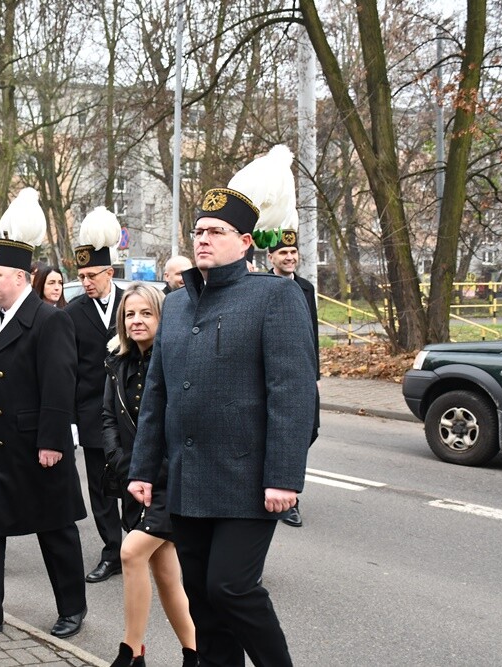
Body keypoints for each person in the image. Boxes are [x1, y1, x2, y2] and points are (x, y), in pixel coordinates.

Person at [128, 161, 316, 667]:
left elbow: (292, 394)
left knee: (231, 587)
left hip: (247, 480)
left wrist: (283, 477)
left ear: (246, 242)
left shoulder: (275, 297)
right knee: (203, 603)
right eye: (199, 231)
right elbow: (158, 393)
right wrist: (144, 469)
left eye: (216, 231)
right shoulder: (178, 304)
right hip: (187, 481)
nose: (204, 239)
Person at [0, 188, 88, 640]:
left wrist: (52, 442)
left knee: (55, 530)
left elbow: (59, 385)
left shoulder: (49, 319)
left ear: (21, 277)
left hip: (34, 445)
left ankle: (72, 608)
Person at [103, 283, 196, 667]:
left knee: (130, 553)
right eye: (130, 314)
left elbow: (179, 426)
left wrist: (152, 470)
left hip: (172, 482)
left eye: (146, 313)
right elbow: (108, 419)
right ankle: (195, 653)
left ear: (162, 317)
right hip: (134, 481)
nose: (137, 321)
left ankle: (131, 652)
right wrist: (126, 466)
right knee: (166, 575)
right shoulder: (118, 363)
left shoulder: (176, 360)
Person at [65, 206, 125, 584]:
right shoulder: (72, 313)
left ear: (110, 273)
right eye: (81, 276)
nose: (86, 282)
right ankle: (112, 551)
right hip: (90, 414)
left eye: (92, 275)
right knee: (102, 489)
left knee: (136, 482)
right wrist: (71, 420)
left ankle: (139, 546)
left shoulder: (133, 304)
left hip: (131, 412)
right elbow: (68, 370)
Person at [266, 229, 320, 528]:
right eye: (283, 253)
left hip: (304, 372)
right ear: (270, 257)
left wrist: (316, 374)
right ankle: (289, 500)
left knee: (309, 430)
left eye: (293, 252)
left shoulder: (306, 288)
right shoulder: (262, 286)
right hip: (276, 372)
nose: (289, 257)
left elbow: (311, 334)